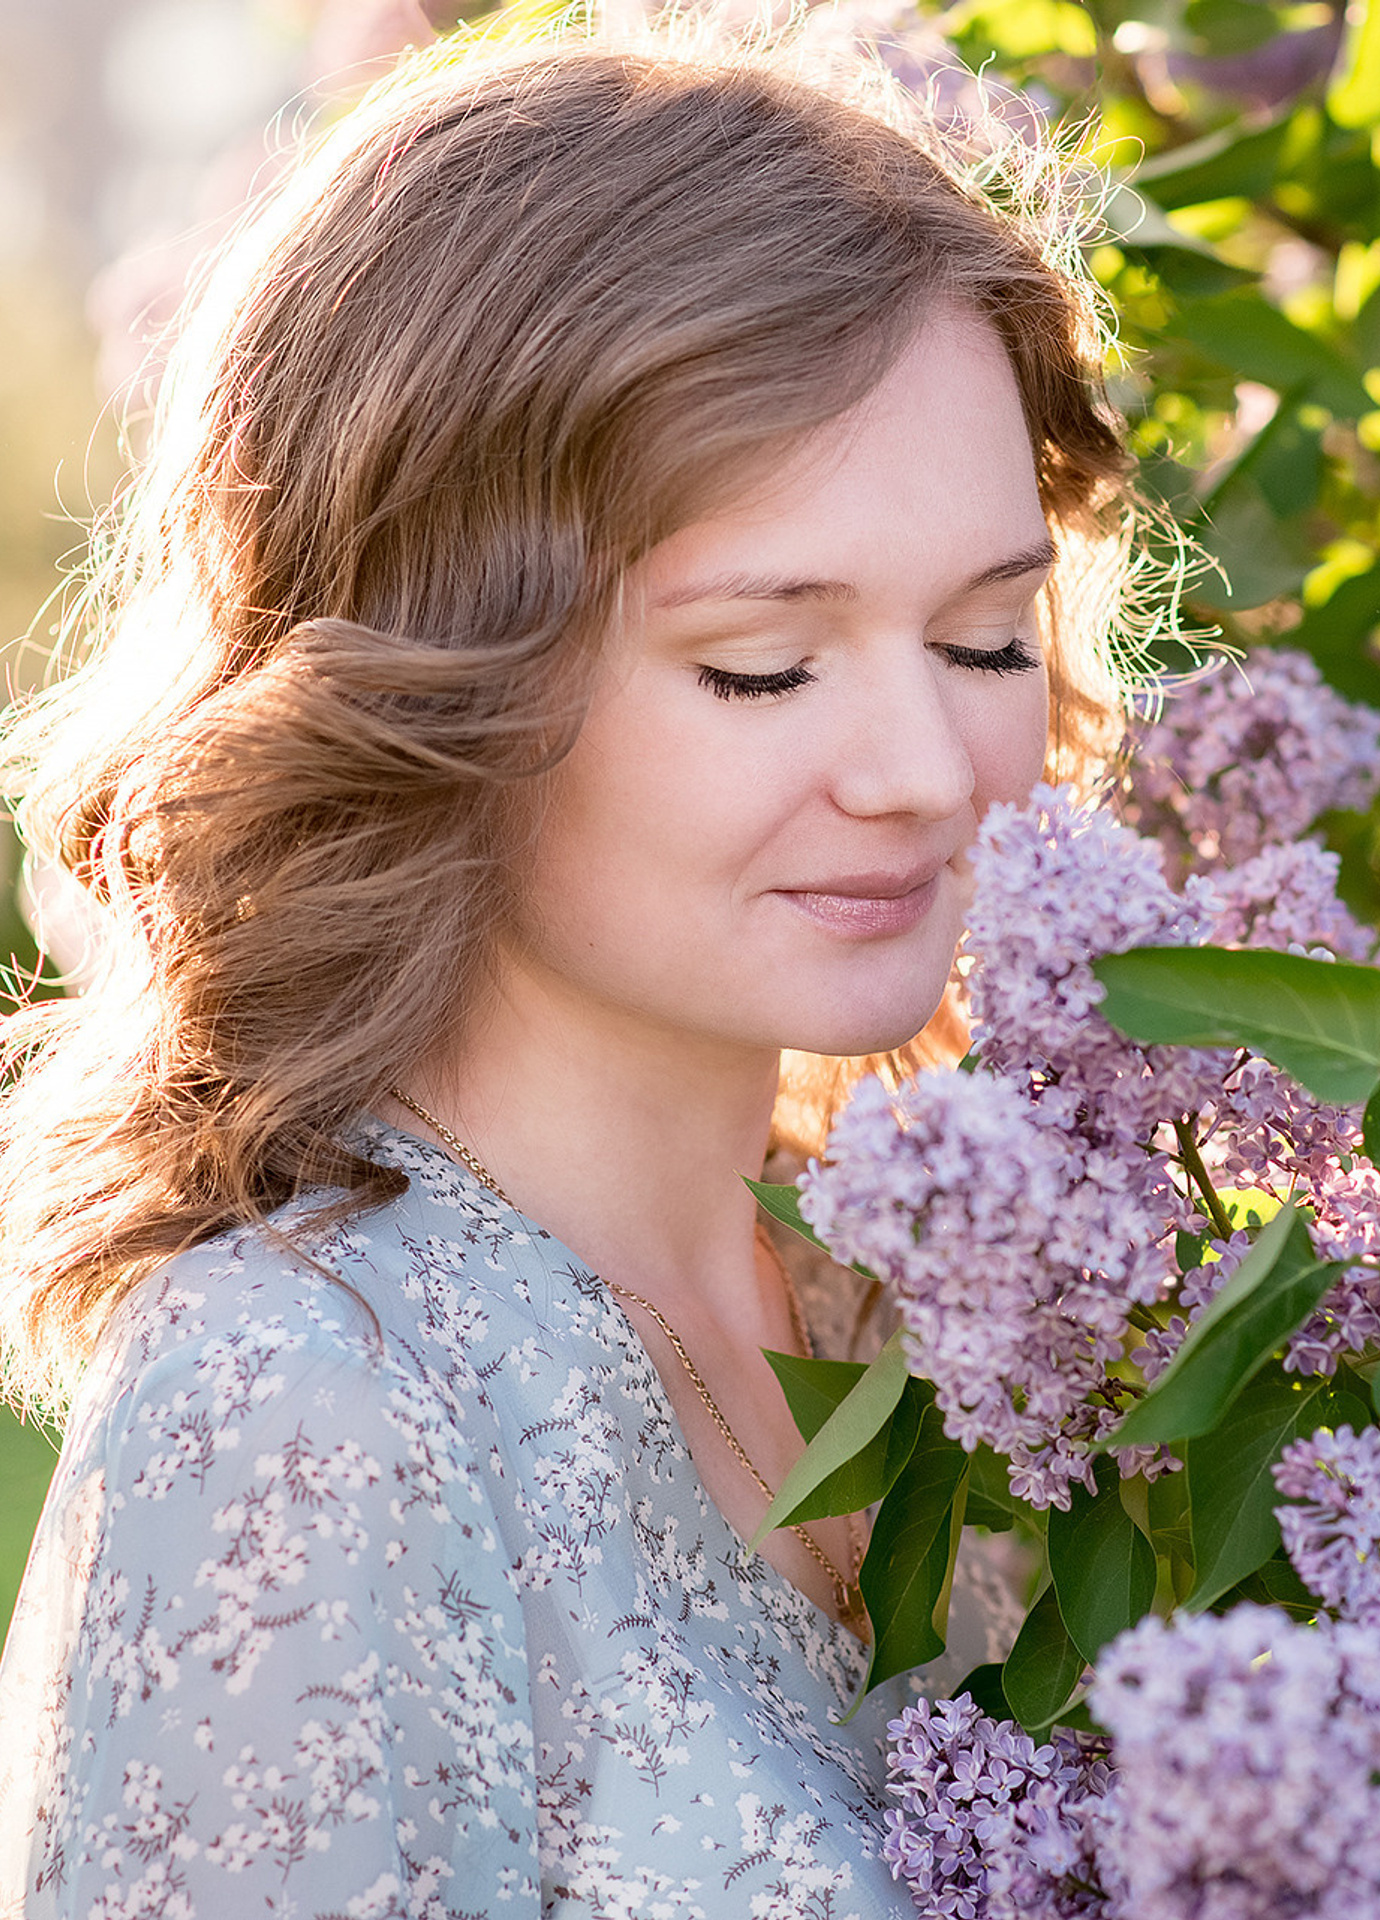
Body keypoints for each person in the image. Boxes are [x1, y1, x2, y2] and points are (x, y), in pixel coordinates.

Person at [0, 14, 1144, 1916]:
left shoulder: (943, 1304)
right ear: (439, 673)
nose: (931, 774)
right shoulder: (306, 1405)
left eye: (981, 638)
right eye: (761, 663)